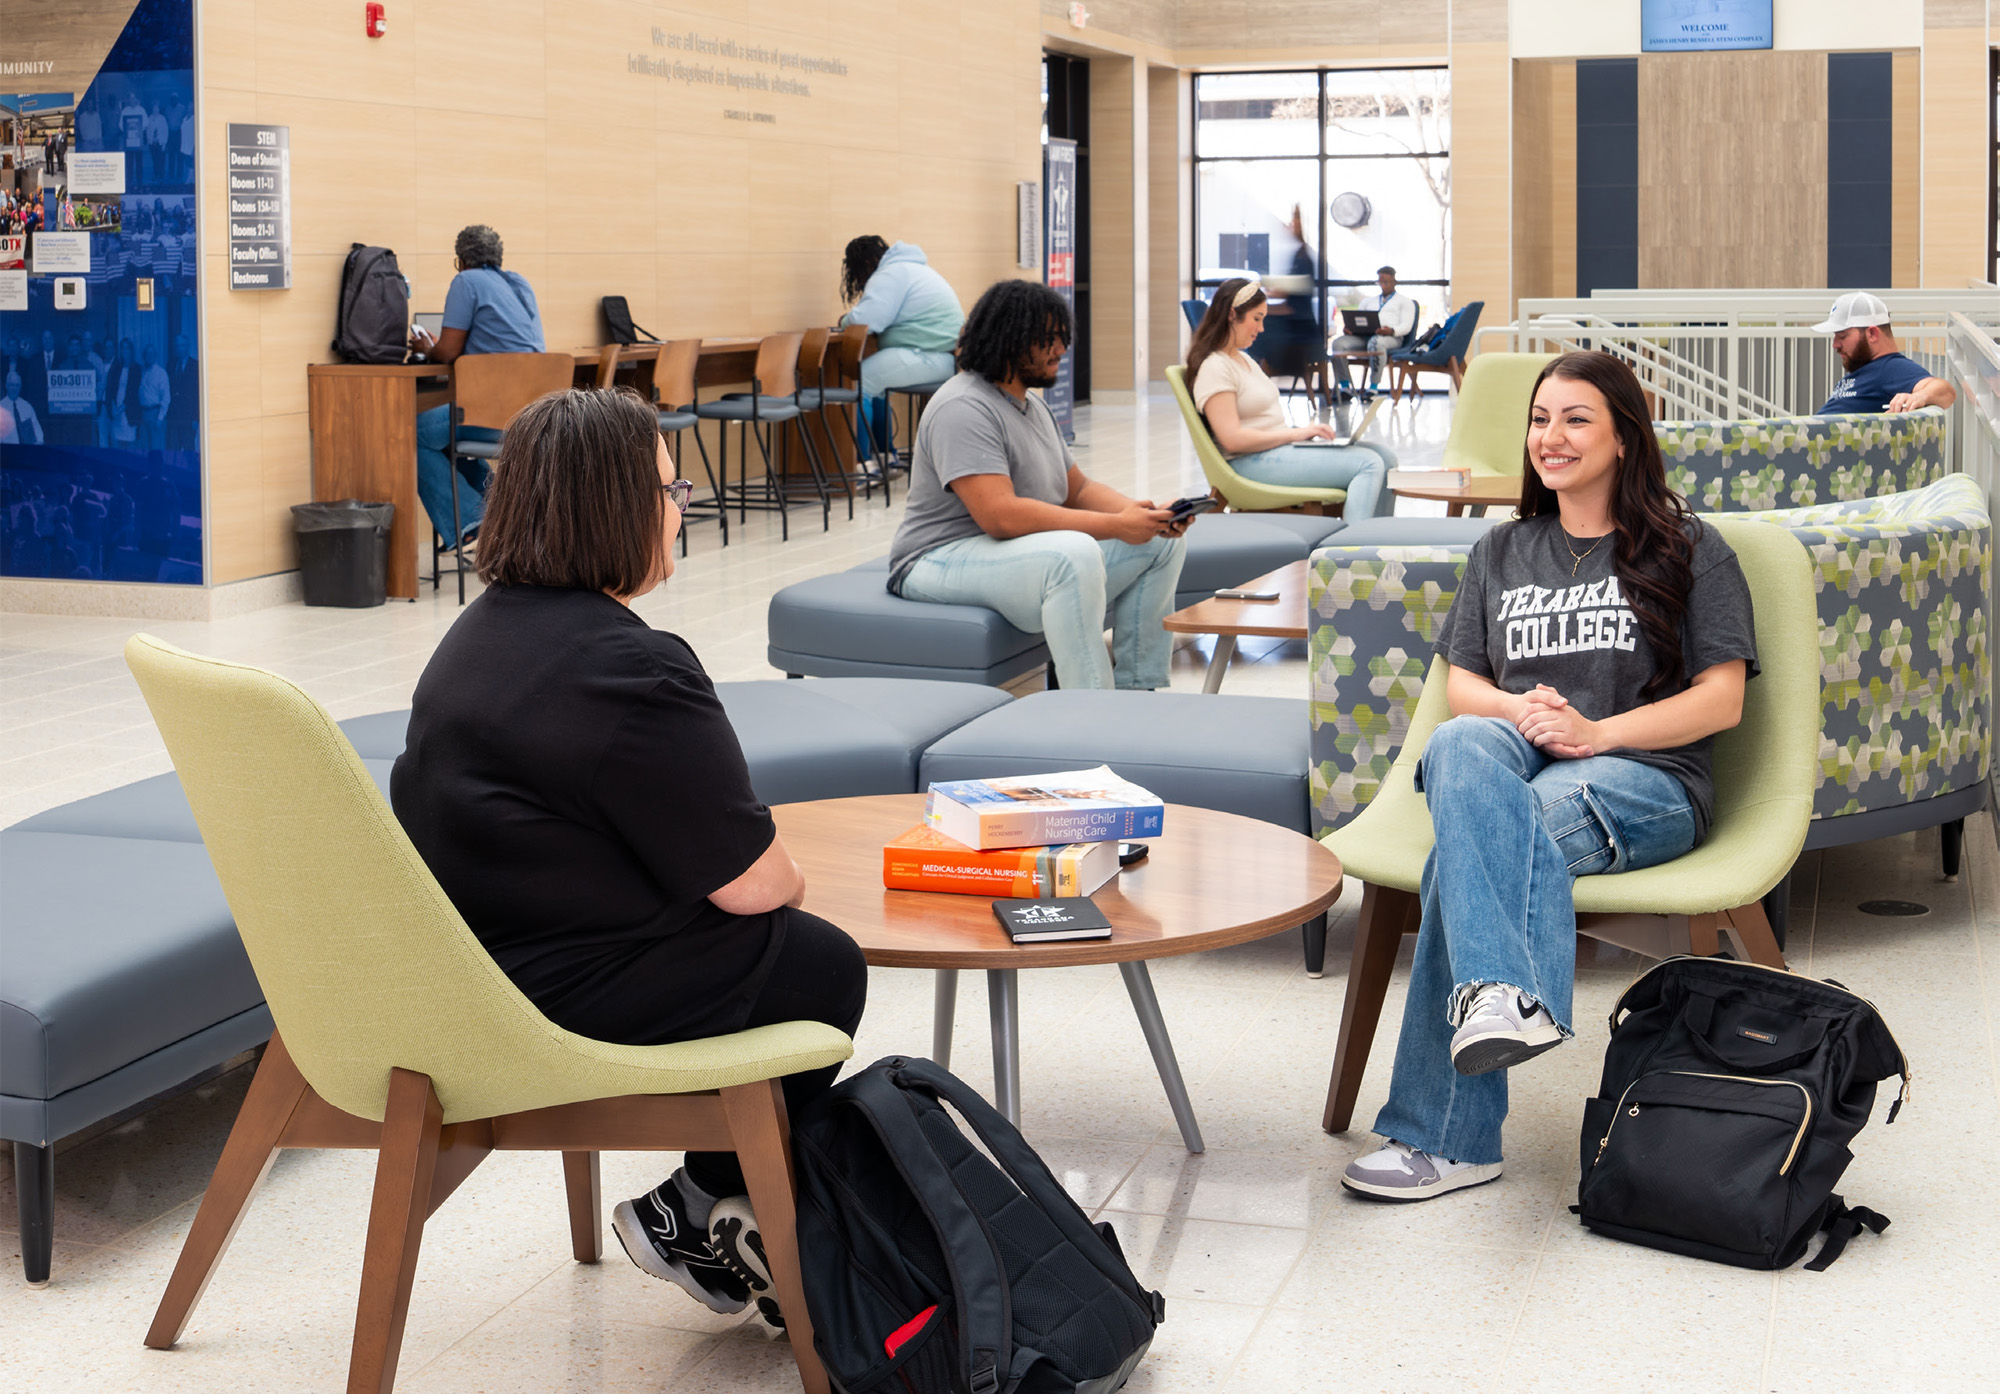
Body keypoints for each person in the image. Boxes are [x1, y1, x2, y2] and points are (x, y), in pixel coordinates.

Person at [390, 386, 866, 1326]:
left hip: (469, 961)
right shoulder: (632, 666)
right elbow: (757, 883)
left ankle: (718, 1214)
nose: (680, 506)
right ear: (616, 507)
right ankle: (701, 1205)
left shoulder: (477, 635)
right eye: (669, 487)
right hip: (553, 995)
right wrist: (781, 880)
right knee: (818, 962)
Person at [1341, 349, 1758, 1203]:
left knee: (1457, 864)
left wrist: (1596, 730)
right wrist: (1526, 714)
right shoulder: (1502, 550)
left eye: (1576, 419)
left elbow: (1721, 703)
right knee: (1458, 742)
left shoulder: (1688, 548)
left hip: (1644, 777)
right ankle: (1508, 1001)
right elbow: (1462, 685)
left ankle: (1448, 1138)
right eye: (1540, 419)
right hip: (1522, 756)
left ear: (1624, 438)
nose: (1551, 437)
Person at [888, 278, 1189, 690]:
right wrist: (1117, 527)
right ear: (1009, 339)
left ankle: (1139, 690)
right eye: (1048, 340)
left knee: (1160, 542)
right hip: (935, 558)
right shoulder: (963, 406)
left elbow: (1077, 489)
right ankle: (1093, 716)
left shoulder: (1032, 405)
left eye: (1062, 339)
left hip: (1003, 555)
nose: (1061, 351)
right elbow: (1000, 516)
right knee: (1072, 555)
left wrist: (1145, 515)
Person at [1188, 277, 1390, 519]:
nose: (1261, 328)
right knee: (1367, 464)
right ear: (1232, 315)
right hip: (1250, 463)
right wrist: (1295, 434)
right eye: (1256, 319)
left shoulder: (1243, 360)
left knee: (1386, 457)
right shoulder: (1215, 367)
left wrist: (1300, 434)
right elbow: (1232, 440)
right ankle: (1349, 552)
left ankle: (1376, 541)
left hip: (1276, 450)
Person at [407, 224, 546, 549]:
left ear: (461, 260)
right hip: (532, 417)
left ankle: (471, 525)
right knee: (446, 439)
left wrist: (428, 348)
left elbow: (449, 352)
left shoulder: (466, 281)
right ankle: (503, 518)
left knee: (411, 433)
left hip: (493, 416)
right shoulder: (519, 283)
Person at [837, 235, 965, 464]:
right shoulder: (913, 269)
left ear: (867, 264)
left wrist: (844, 321)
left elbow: (865, 321)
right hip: (946, 356)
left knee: (858, 382)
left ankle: (863, 466)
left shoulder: (890, 273)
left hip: (930, 355)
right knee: (877, 385)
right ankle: (884, 457)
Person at [1814, 292, 1958, 414]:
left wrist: (1920, 396)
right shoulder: (1867, 368)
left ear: (1872, 333)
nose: (1835, 344)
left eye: (1843, 336)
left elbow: (1946, 391)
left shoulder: (1890, 367)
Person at [1329, 265, 1418, 398]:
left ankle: (1373, 389)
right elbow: (1358, 320)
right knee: (1338, 344)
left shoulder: (1405, 302)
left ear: (1394, 281)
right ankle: (1345, 388)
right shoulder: (1368, 301)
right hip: (1363, 337)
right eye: (1380, 282)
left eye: (1386, 282)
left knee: (1376, 342)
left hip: (1391, 338)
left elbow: (1407, 326)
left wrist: (1391, 331)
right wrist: (1351, 329)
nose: (1382, 285)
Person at [137, 344, 170, 449]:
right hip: (143, 414)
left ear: (156, 356)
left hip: (155, 414)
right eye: (147, 353)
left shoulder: (161, 373)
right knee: (144, 448)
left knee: (156, 449)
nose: (149, 356)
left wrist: (160, 418)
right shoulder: (141, 372)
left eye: (152, 353)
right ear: (144, 356)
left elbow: (166, 398)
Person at [0, 369, 44, 445]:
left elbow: (38, 431)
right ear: (6, 386)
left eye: (17, 385)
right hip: (7, 451)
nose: (14, 388)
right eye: (11, 385)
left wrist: (38, 445)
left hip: (26, 450)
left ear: (20, 387)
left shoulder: (27, 407)